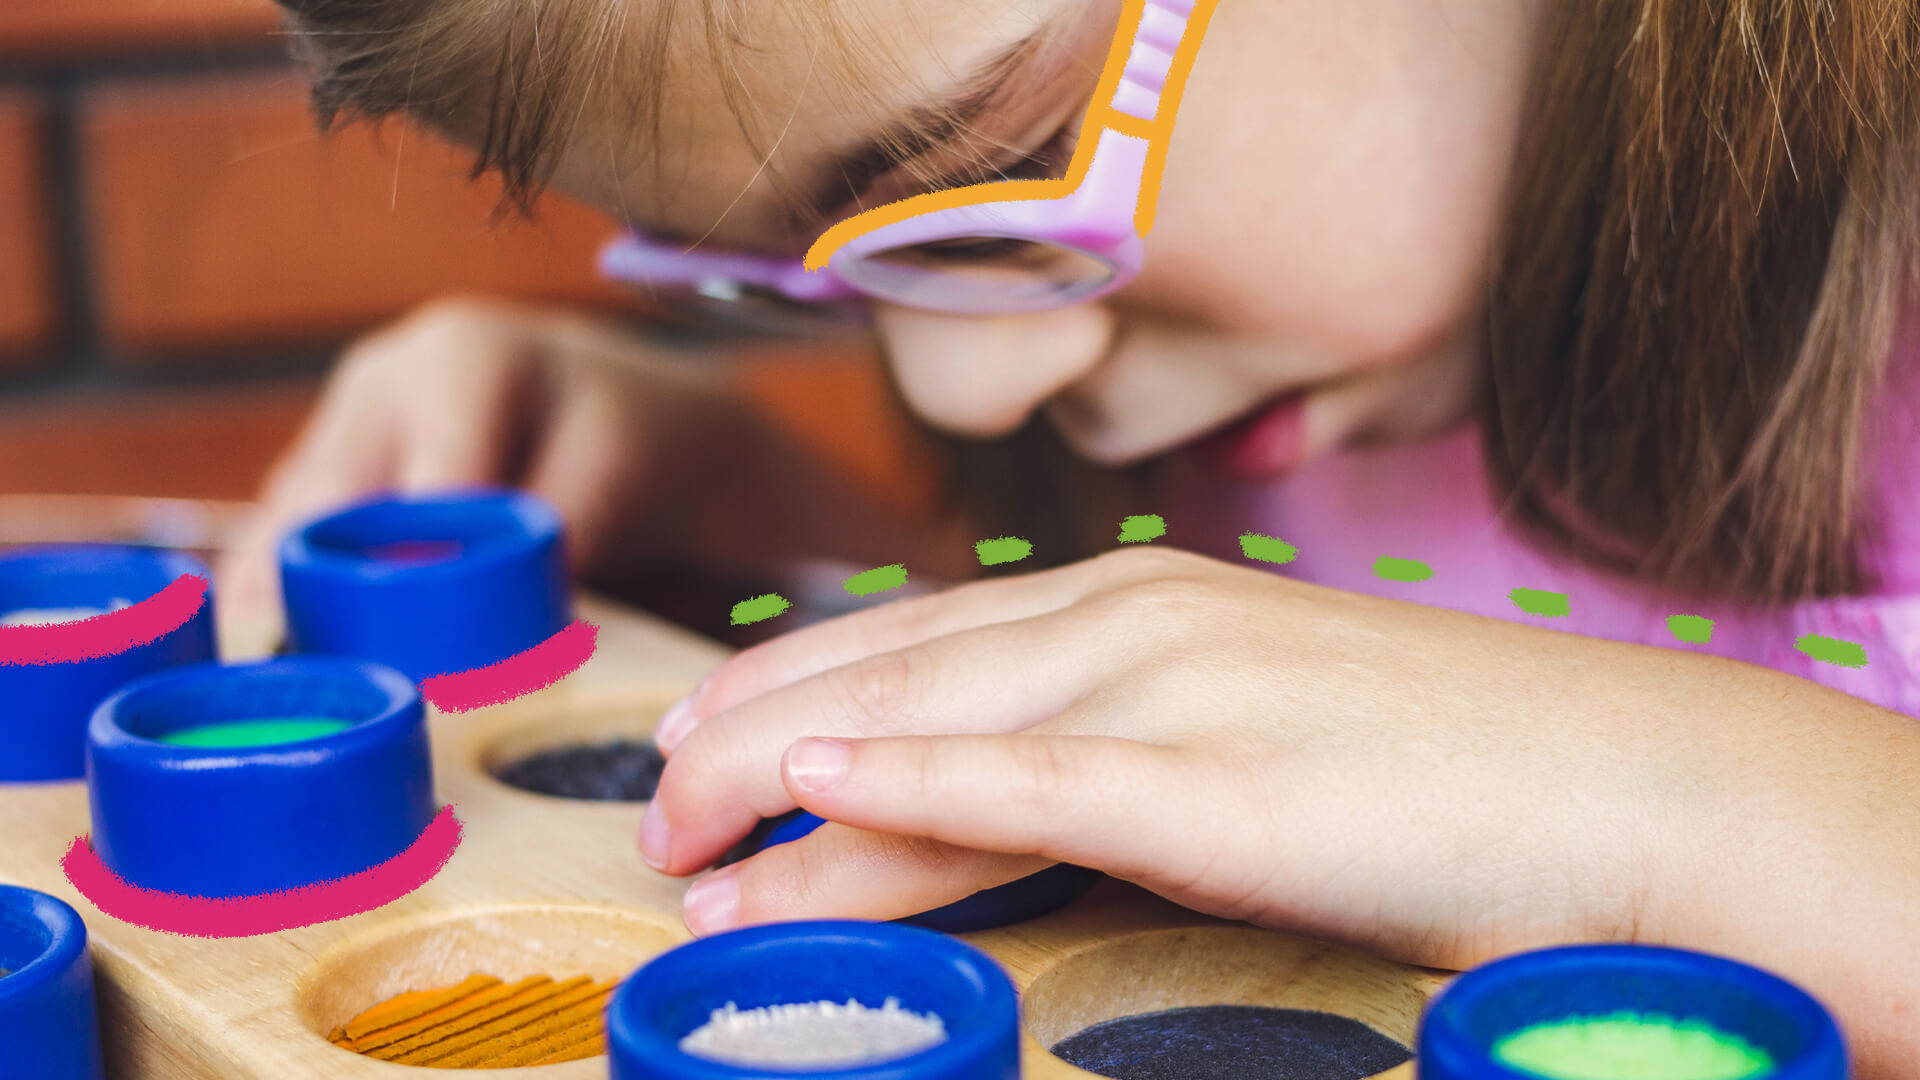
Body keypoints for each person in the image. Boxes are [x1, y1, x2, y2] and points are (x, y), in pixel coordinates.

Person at [226, 1, 1920, 1070]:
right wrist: (754, 504)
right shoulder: (1266, 407)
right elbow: (1260, 712)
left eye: (1004, 162)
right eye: (796, 267)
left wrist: (1658, 800)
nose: (964, 387)